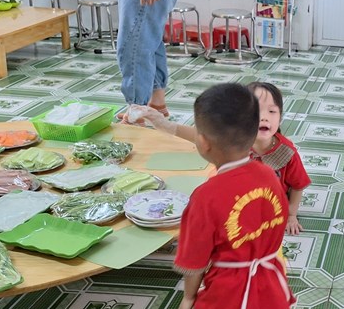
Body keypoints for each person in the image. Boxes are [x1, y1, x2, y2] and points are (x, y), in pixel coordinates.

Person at [165, 83, 296, 309]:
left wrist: (188, 300)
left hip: (230, 297)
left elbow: (194, 264)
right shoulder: (269, 174)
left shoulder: (205, 197)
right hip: (271, 285)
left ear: (202, 142)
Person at [126, 81, 311, 235]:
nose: (264, 118)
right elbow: (199, 134)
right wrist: (163, 124)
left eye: (272, 111)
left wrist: (291, 215)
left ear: (280, 117)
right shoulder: (235, 139)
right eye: (257, 112)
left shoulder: (286, 152)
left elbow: (298, 185)